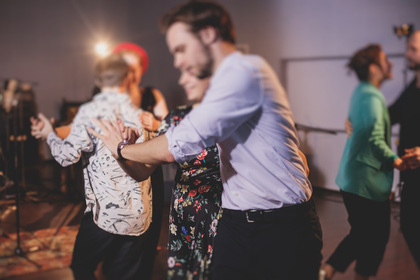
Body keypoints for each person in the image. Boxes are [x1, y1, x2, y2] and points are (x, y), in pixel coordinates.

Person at [89, 1, 322, 279]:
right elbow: (145, 166)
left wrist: (122, 148)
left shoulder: (244, 72)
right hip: (236, 223)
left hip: (281, 226)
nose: (177, 63)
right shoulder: (210, 101)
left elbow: (171, 148)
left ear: (208, 34)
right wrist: (121, 151)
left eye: (181, 49)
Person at [31, 53, 154, 280]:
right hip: (138, 214)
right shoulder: (139, 115)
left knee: (82, 267)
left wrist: (49, 134)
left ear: (97, 81)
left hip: (106, 214)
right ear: (127, 78)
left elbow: (66, 157)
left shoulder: (89, 112)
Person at [323, 44, 406, 280]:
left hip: (356, 179)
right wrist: (396, 161)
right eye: (385, 60)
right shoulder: (371, 97)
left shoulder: (361, 92)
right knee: (371, 235)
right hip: (364, 182)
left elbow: (361, 126)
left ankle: (330, 271)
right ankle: (327, 272)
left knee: (369, 235)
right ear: (373, 68)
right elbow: (375, 139)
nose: (389, 64)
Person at [345, 31, 420, 269]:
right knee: (409, 225)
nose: (407, 54)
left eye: (413, 49)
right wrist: (361, 118)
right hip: (411, 173)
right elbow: (393, 113)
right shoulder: (413, 86)